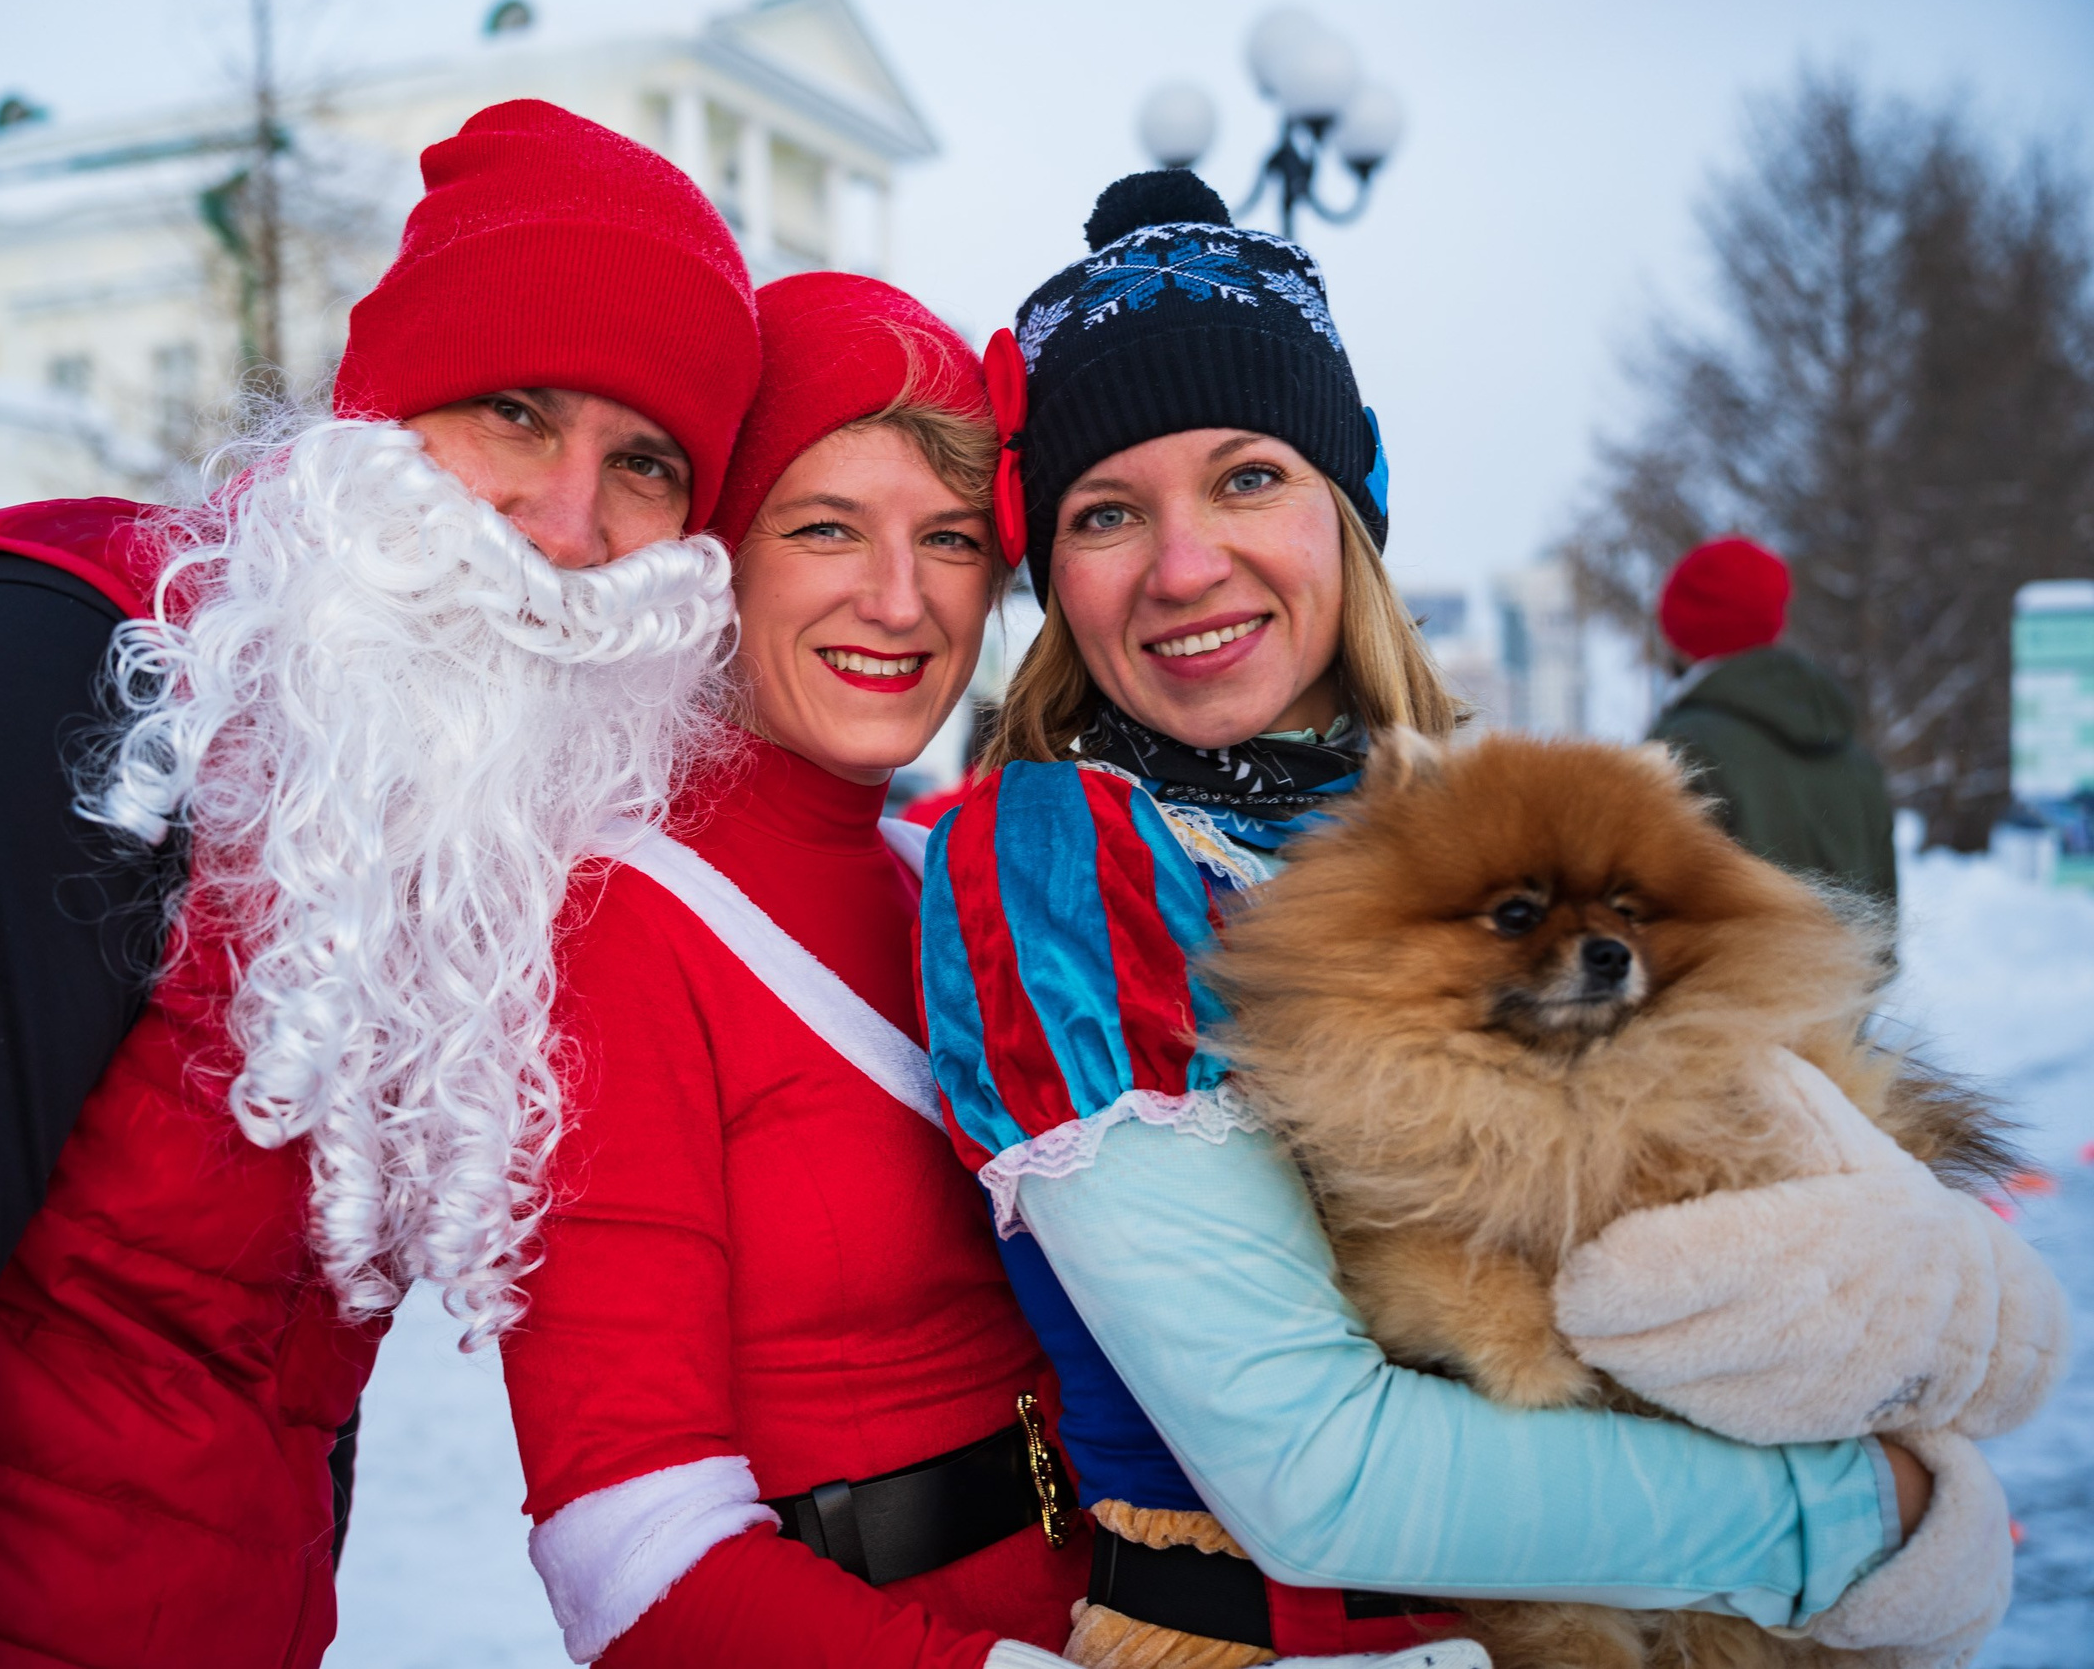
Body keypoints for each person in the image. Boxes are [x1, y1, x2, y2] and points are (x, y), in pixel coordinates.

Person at [0, 101, 757, 1668]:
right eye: (513, 412)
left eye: (644, 462)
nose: (568, 523)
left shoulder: (396, 795)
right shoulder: (40, 676)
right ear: (373, 422)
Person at [919, 170, 2057, 1668]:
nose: (1185, 564)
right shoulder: (1066, 855)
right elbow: (1320, 1476)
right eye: (1108, 511)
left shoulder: (1459, 800)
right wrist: (1853, 1523)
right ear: (1052, 574)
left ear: (1351, 501)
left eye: (1248, 475)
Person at [498, 272, 1089, 1669]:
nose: (899, 599)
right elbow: (630, 1560)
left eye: (950, 539)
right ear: (719, 557)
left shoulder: (943, 876)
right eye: (827, 527)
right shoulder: (615, 917)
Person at [1651, 534, 1897, 911]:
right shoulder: (1851, 752)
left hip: (1737, 972)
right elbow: (1883, 927)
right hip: (1847, 971)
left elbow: (1656, 913)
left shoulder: (1683, 744)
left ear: (1681, 635)